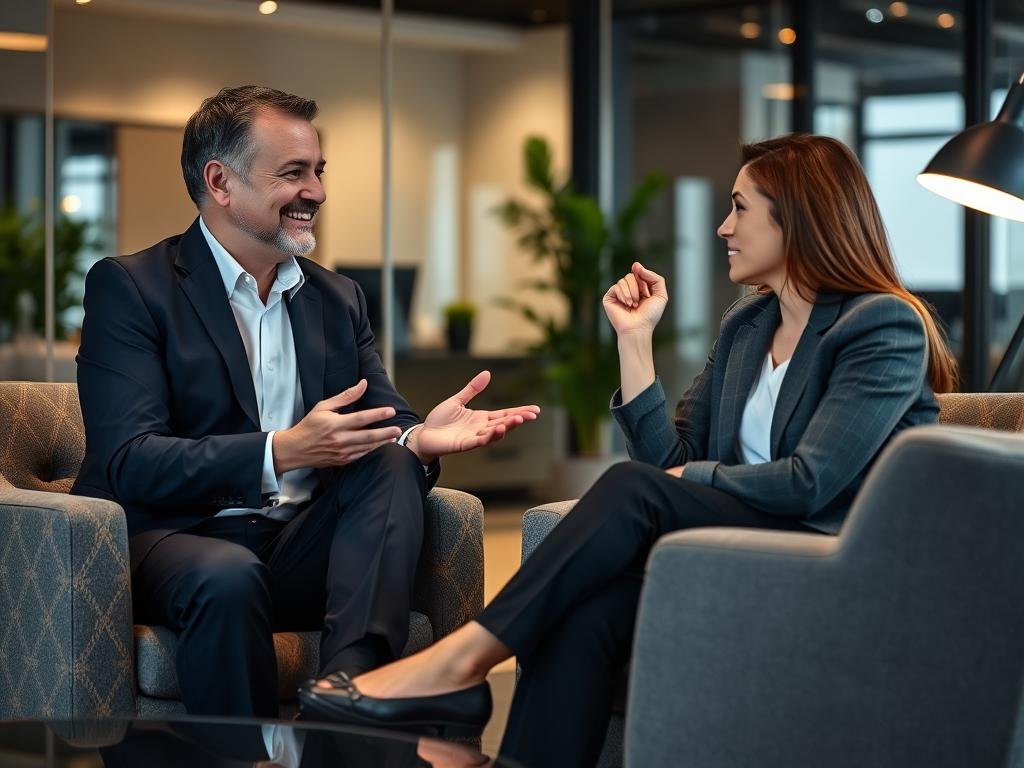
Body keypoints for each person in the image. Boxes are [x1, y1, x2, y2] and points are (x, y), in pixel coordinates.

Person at [297, 133, 959, 767]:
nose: (724, 228)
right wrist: (634, 342)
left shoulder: (880, 322)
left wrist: (683, 475)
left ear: (800, 221)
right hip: (738, 551)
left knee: (629, 491)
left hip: (835, 564)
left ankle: (460, 662)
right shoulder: (749, 323)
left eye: (739, 209)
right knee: (582, 615)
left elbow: (812, 482)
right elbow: (667, 460)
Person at [70, 85, 539, 718]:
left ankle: (349, 692)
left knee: (394, 461)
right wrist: (281, 451)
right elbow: (130, 460)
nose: (315, 191)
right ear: (220, 182)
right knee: (228, 576)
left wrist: (418, 439)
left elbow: (387, 419)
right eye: (294, 172)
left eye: (318, 171)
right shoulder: (130, 287)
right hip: (175, 540)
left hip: (294, 545)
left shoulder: (336, 296)